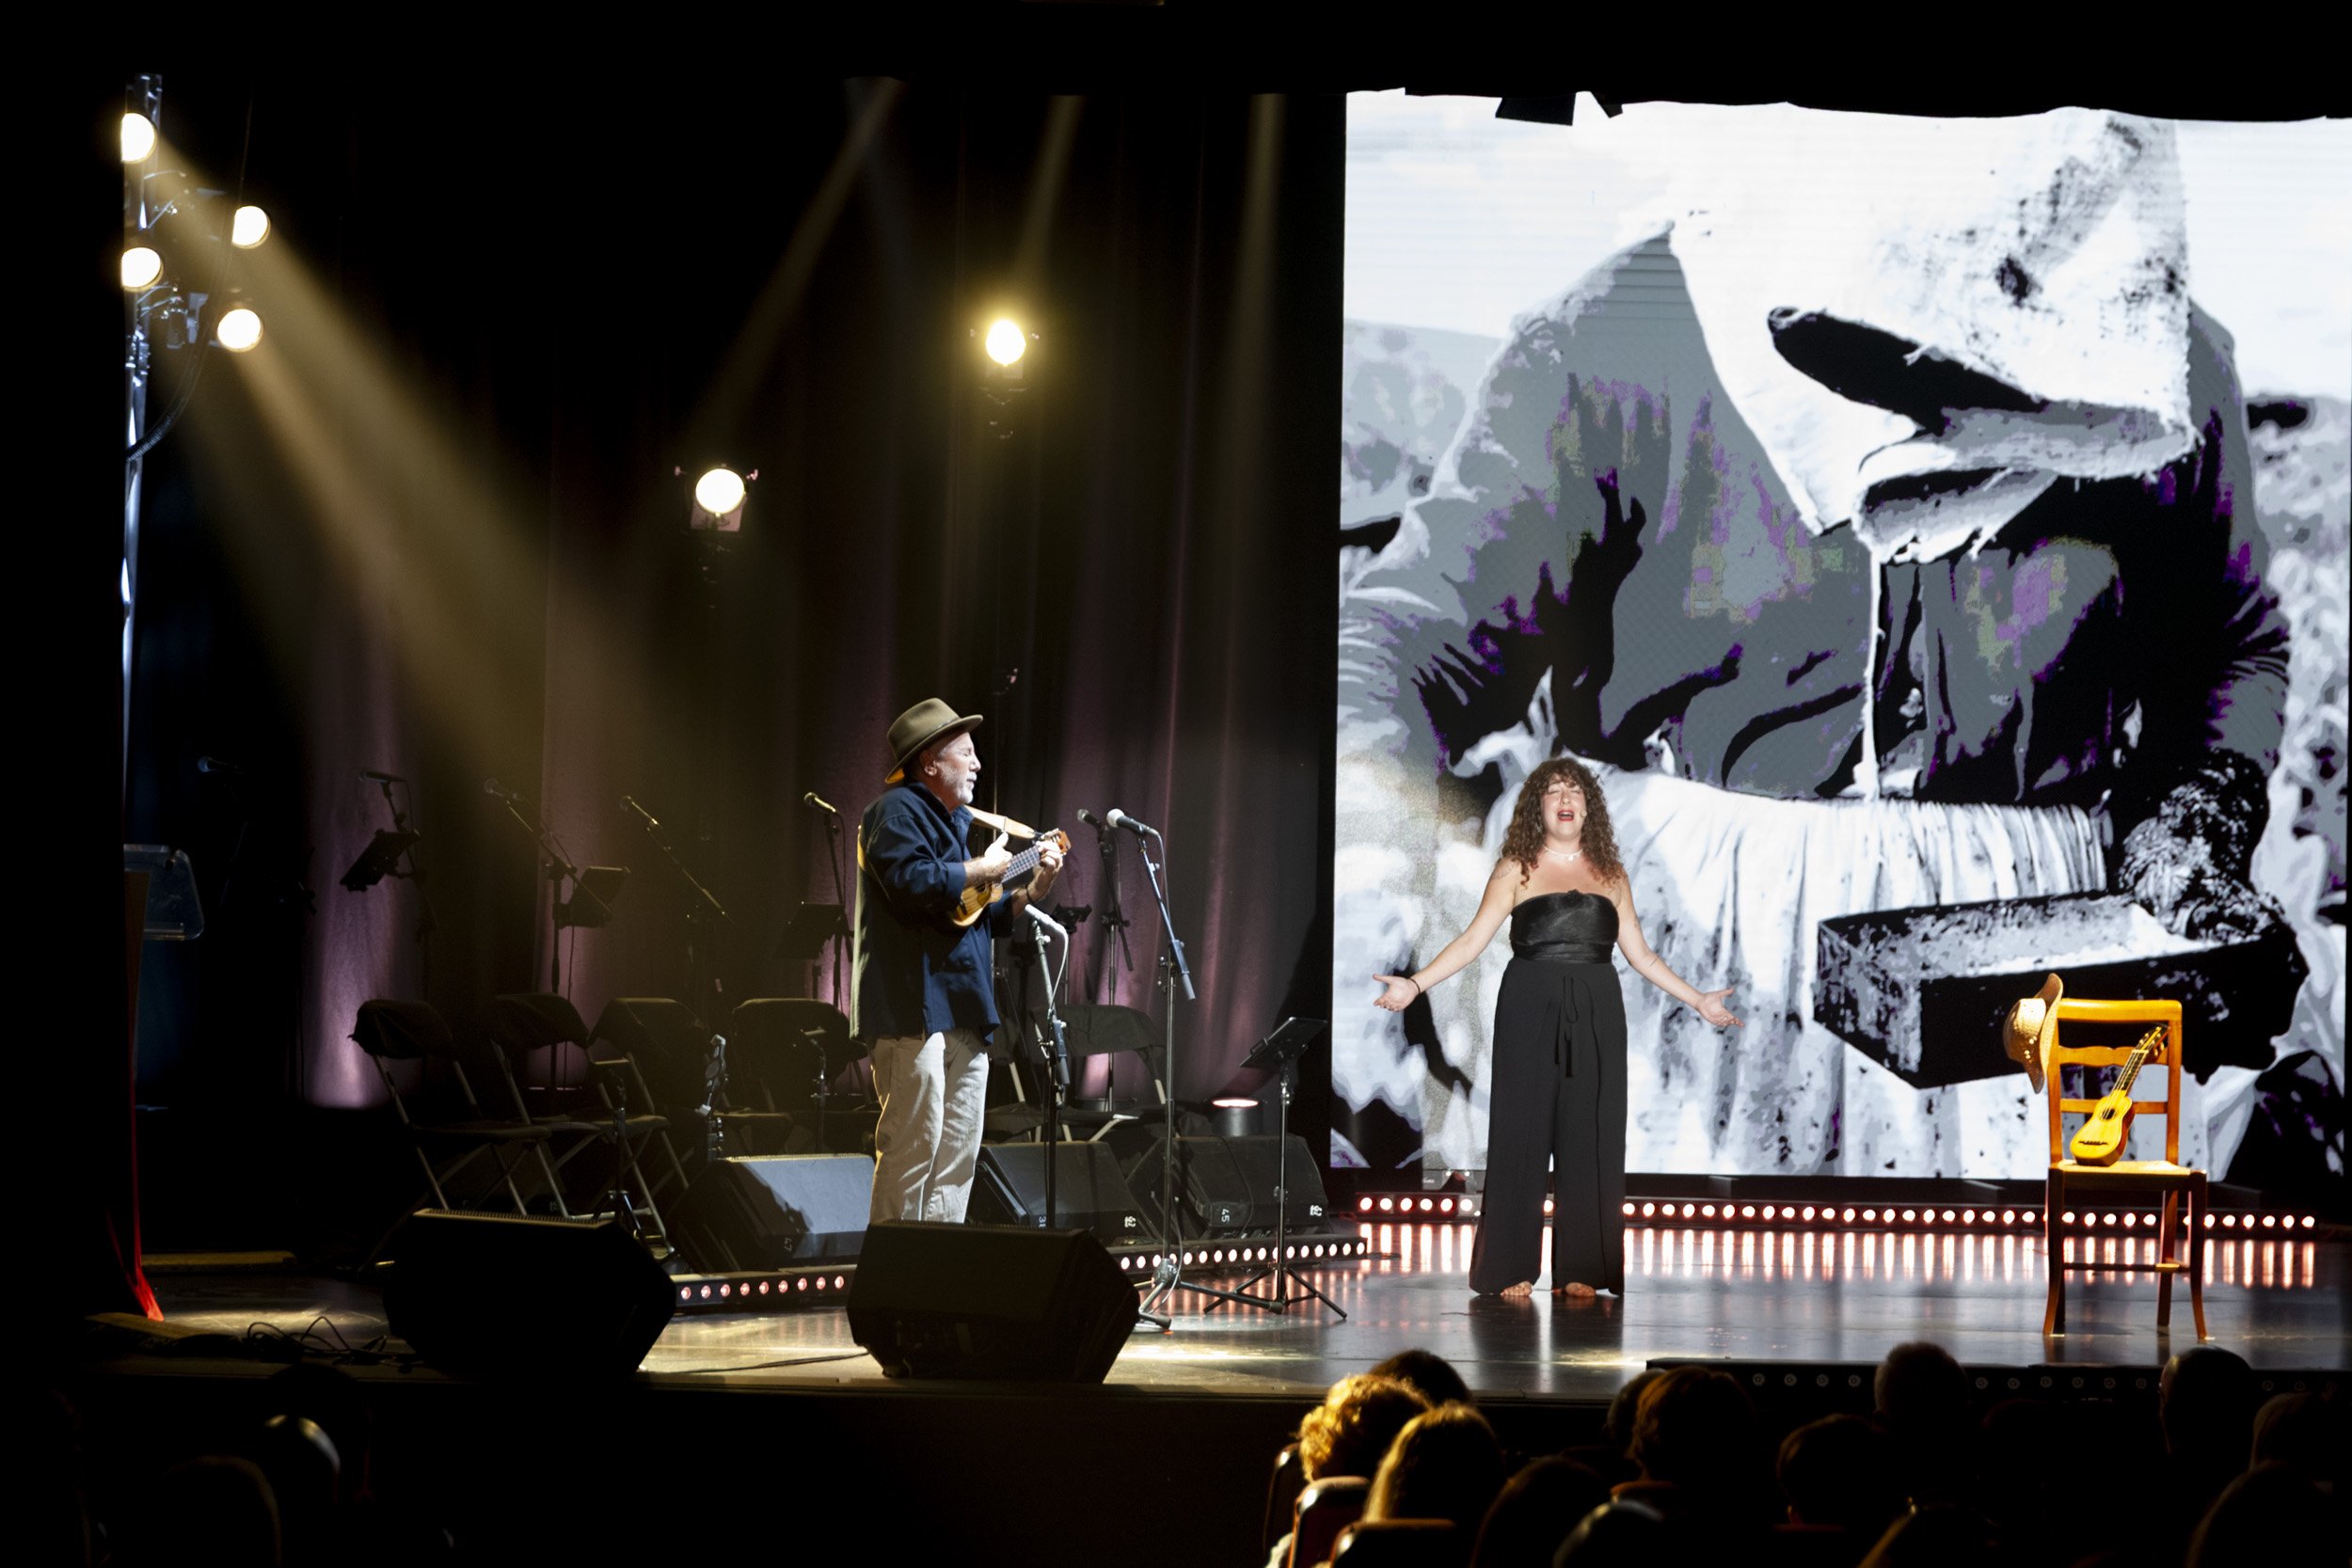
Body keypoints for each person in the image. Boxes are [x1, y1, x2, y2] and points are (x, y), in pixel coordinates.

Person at [1375, 757, 1739, 1296]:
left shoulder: (1610, 873)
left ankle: (1584, 1269)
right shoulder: (1515, 868)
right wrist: (1416, 984)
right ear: (1538, 808)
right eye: (1553, 791)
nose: (1565, 798)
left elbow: (1642, 955)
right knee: (1520, 1132)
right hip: (1529, 1004)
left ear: (1588, 806)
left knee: (1590, 1133)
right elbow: (1473, 941)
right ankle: (1510, 1266)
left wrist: (1698, 999)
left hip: (1596, 1008)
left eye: (1575, 790)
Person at [852, 698, 1062, 1223]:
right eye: (966, 754)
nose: (977, 765)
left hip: (963, 1011)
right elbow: (912, 881)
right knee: (911, 1152)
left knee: (956, 1161)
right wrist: (985, 868)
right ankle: (893, 1286)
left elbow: (980, 920)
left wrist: (1032, 888)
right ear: (930, 763)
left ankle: (935, 1283)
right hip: (913, 1012)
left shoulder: (956, 824)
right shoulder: (894, 812)